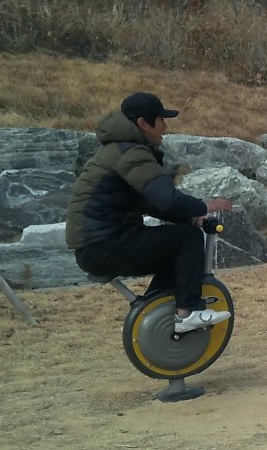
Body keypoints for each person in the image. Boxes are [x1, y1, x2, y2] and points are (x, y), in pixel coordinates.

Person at [66, 92, 234, 334]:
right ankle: (188, 312)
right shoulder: (132, 152)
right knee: (188, 238)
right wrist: (205, 206)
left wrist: (191, 216)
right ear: (143, 123)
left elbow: (151, 203)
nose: (165, 127)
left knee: (175, 250)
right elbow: (168, 199)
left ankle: (157, 317)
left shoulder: (120, 149)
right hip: (102, 245)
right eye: (161, 120)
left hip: (96, 245)